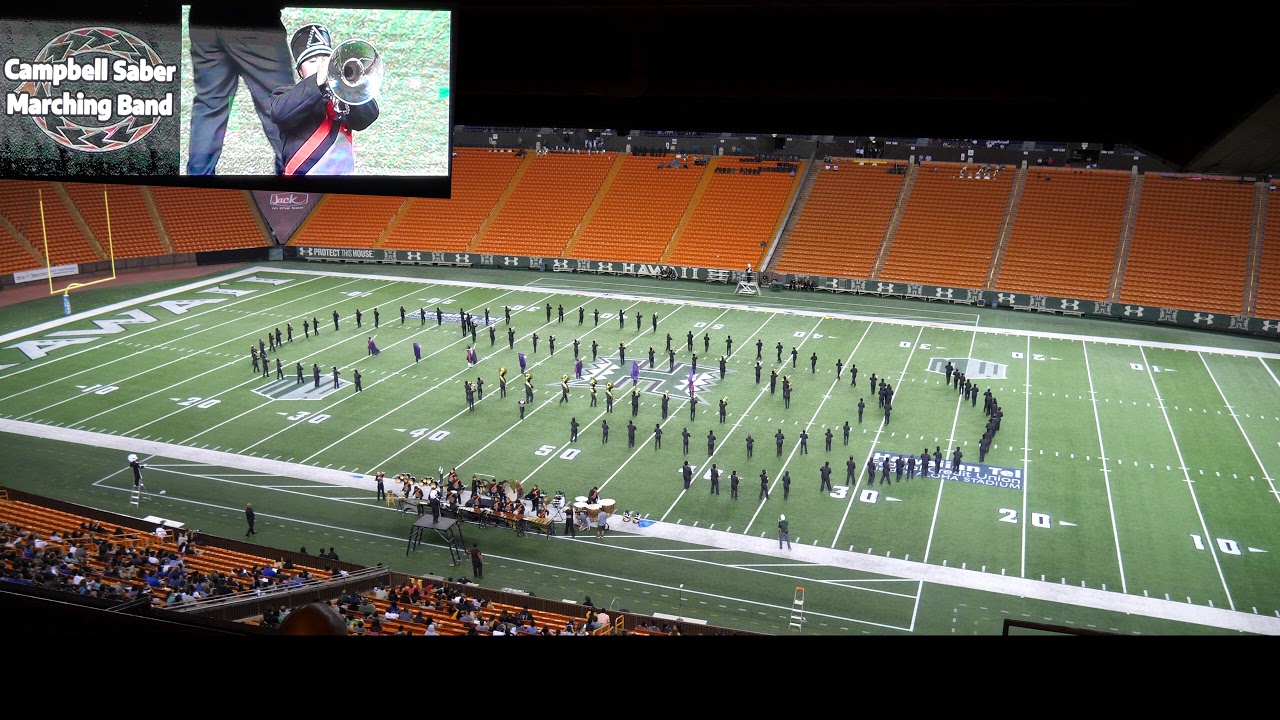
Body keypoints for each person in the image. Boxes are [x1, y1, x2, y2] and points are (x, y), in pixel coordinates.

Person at [186, 3, 294, 175]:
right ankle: (295, 186)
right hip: (254, 18)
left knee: (209, 106)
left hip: (203, 15)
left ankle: (196, 187)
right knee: (282, 104)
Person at [270, 22, 381, 176]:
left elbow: (368, 117)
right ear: (301, 72)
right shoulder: (285, 93)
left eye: (325, 59)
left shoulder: (344, 93)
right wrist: (318, 80)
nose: (320, 65)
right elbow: (280, 113)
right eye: (312, 61)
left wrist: (349, 88)